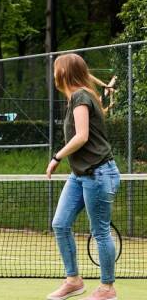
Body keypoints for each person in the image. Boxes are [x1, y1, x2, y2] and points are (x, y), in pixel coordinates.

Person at [46, 54, 120, 300]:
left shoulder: (81, 96)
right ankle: (73, 281)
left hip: (99, 173)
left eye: (57, 69)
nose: (54, 74)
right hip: (80, 175)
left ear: (65, 73)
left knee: (100, 232)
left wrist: (56, 158)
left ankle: (107, 289)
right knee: (60, 224)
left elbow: (82, 136)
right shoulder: (81, 96)